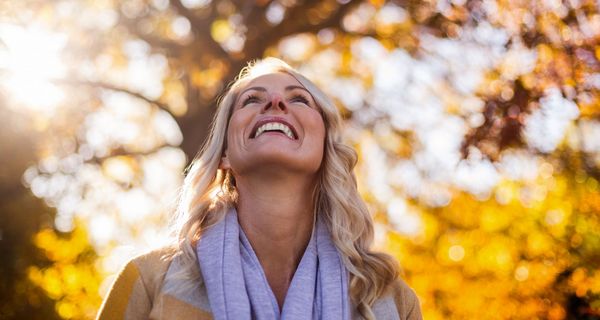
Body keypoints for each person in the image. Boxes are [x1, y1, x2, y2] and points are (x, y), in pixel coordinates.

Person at [96, 57, 422, 320]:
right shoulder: (149, 280)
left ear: (326, 148)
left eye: (299, 99)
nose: (276, 102)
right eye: (252, 100)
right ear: (224, 153)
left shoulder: (389, 299)